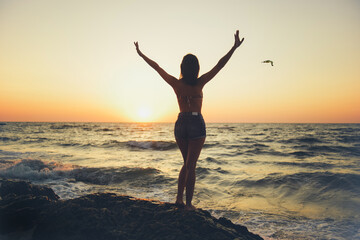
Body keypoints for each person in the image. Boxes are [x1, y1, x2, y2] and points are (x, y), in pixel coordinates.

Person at [134, 30, 244, 210]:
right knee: (191, 166)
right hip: (195, 123)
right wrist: (234, 48)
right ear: (197, 68)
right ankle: (189, 204)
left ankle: (179, 199)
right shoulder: (200, 82)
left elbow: (157, 67)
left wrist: (140, 54)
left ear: (182, 68)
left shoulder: (176, 84)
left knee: (186, 164)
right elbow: (219, 65)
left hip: (181, 124)